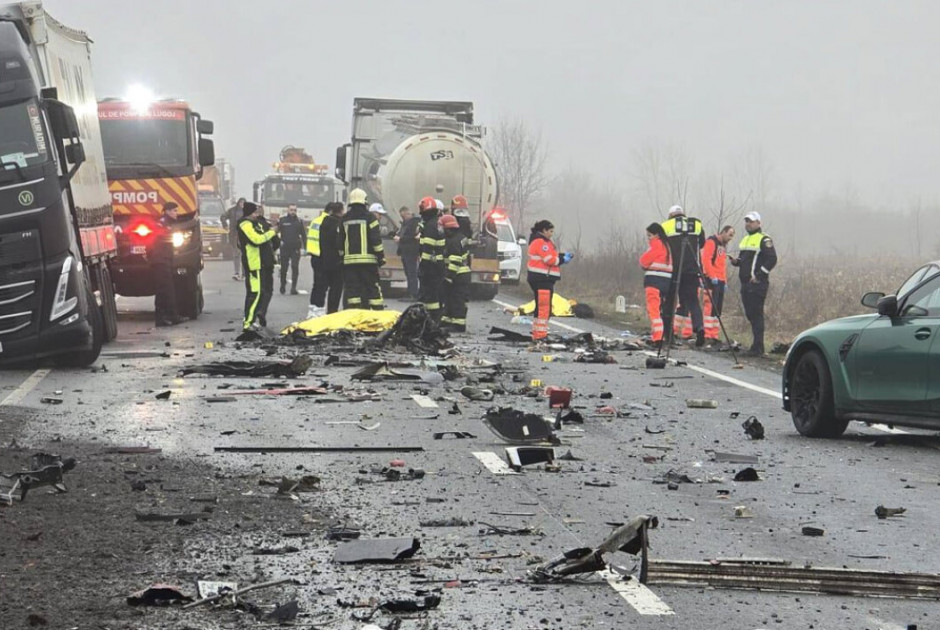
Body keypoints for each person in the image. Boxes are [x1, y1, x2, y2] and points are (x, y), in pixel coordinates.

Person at [730, 211, 777, 356]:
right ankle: (755, 345)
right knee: (750, 314)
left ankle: (758, 347)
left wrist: (759, 275)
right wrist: (736, 262)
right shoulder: (745, 240)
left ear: (758, 223)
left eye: (750, 221)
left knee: (756, 315)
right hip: (745, 284)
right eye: (746, 221)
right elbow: (745, 261)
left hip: (757, 284)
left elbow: (772, 259)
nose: (748, 224)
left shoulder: (764, 239)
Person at [661, 205, 706, 347]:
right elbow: (702, 243)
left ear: (670, 215)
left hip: (674, 269)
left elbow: (662, 247)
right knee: (693, 300)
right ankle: (699, 327)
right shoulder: (696, 225)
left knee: (669, 302)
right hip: (692, 269)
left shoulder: (665, 226)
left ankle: (668, 336)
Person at [527, 220, 572, 341]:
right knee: (544, 308)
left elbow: (552, 256)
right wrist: (563, 260)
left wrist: (561, 256)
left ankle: (538, 333)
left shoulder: (540, 242)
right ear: (544, 230)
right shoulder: (541, 242)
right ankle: (540, 335)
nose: (552, 234)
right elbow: (549, 260)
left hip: (541, 278)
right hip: (542, 279)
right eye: (550, 231)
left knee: (541, 307)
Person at [341, 189, 385, 310]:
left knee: (353, 291)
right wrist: (381, 257)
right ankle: (378, 316)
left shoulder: (344, 219)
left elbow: (339, 240)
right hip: (368, 263)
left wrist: (341, 257)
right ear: (364, 201)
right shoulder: (371, 218)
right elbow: (376, 240)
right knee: (372, 289)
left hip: (349, 263)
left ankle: (354, 316)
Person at [238, 201, 278, 330]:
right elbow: (256, 240)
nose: (256, 215)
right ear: (249, 213)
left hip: (261, 263)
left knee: (258, 293)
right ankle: (248, 322)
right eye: (254, 212)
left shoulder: (256, 223)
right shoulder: (245, 224)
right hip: (253, 263)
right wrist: (272, 232)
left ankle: (251, 320)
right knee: (255, 293)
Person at [639, 222, 673, 348]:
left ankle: (658, 337)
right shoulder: (668, 246)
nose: (648, 239)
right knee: (660, 310)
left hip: (654, 281)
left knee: (653, 310)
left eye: (649, 236)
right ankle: (660, 334)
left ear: (656, 235)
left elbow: (643, 261)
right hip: (666, 282)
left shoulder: (656, 245)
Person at [701, 225, 735, 346]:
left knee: (717, 310)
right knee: (710, 307)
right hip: (712, 280)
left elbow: (722, 266)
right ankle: (707, 334)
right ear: (724, 232)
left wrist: (724, 281)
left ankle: (714, 334)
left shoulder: (723, 246)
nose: (731, 238)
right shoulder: (711, 242)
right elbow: (706, 260)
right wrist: (712, 276)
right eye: (730, 235)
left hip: (720, 280)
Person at [310, 202, 345, 315]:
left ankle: (316, 310)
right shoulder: (339, 224)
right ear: (340, 211)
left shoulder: (322, 222)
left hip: (323, 259)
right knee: (335, 289)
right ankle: (331, 312)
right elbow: (339, 242)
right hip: (336, 262)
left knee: (320, 286)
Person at [152, 202, 184, 326]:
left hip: (163, 260)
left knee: (162, 290)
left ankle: (161, 318)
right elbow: (160, 240)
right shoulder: (162, 224)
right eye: (175, 211)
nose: (177, 213)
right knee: (167, 290)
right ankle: (172, 316)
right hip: (161, 261)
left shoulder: (168, 223)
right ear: (168, 211)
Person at [417, 196, 446, 321]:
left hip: (431, 266)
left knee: (431, 294)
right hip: (437, 264)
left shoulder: (430, 226)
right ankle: (433, 318)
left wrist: (423, 266)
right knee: (434, 293)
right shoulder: (436, 224)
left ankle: (432, 319)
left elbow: (428, 249)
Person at [440, 214, 471, 332]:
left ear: (448, 229)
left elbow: (455, 261)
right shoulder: (461, 237)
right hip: (462, 274)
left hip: (458, 275)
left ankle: (458, 324)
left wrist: (449, 277)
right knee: (450, 299)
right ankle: (447, 320)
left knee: (457, 300)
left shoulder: (453, 242)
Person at [306, 205, 329, 317]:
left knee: (316, 284)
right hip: (322, 256)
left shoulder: (316, 220)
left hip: (314, 255)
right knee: (322, 285)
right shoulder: (326, 222)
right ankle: (319, 309)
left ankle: (312, 309)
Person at [276, 204, 305, 295]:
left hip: (295, 248)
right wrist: (277, 244)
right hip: (284, 247)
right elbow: (276, 232)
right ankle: (282, 285)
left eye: (295, 210)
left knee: (295, 267)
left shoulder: (299, 221)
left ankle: (293, 288)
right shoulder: (282, 220)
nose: (293, 212)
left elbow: (304, 235)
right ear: (287, 210)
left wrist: (305, 248)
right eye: (291, 210)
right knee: (284, 268)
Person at [395, 206, 421, 299]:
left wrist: (400, 239)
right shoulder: (406, 223)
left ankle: (413, 293)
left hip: (411, 251)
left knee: (412, 273)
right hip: (405, 251)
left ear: (407, 214)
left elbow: (411, 237)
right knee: (408, 273)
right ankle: (410, 291)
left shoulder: (414, 223)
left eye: (403, 216)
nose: (402, 218)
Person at [223, 197, 245, 280]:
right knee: (236, 254)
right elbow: (223, 216)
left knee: (244, 255)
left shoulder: (248, 212)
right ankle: (236, 273)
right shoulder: (232, 211)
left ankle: (244, 273)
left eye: (244, 203)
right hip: (234, 235)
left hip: (245, 236)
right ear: (238, 203)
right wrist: (225, 225)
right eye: (241, 202)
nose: (242, 204)